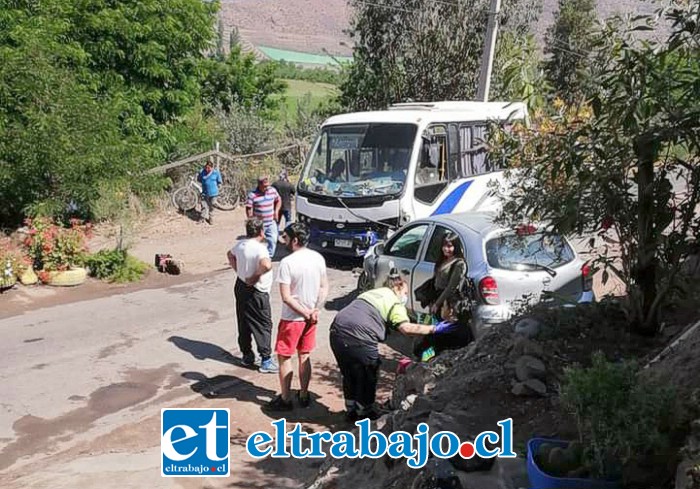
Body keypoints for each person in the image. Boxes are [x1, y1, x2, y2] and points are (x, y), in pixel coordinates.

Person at [329, 271, 449, 422]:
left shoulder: (374, 292)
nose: (405, 296)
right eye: (405, 292)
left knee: (350, 373)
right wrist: (435, 329)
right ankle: (365, 413)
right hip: (360, 335)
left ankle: (351, 410)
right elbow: (406, 328)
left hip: (336, 330)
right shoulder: (394, 302)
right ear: (397, 288)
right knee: (368, 374)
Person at [264, 223, 328, 411]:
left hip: (293, 319)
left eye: (286, 237)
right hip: (311, 318)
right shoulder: (317, 258)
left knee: (284, 357)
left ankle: (285, 399)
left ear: (295, 240)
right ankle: (304, 393)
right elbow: (324, 287)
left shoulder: (287, 263)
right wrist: (316, 309)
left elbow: (286, 297)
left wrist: (304, 312)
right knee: (304, 355)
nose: (283, 241)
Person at [227, 218, 278, 373]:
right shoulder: (260, 248)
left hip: (241, 286)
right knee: (263, 324)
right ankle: (266, 359)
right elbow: (266, 265)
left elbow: (230, 255)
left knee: (244, 321)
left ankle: (247, 354)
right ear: (261, 232)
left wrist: (239, 272)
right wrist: (254, 278)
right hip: (256, 290)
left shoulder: (240, 245)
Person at [413, 297, 473, 363]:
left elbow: (418, 349)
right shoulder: (467, 327)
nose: (441, 309)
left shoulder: (440, 330)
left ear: (451, 311)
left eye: (444, 307)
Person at [430, 232, 468, 318]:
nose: (446, 249)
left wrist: (437, 303)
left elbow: (451, 287)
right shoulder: (443, 260)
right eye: (444, 246)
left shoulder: (459, 264)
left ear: (456, 247)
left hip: (448, 302)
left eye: (449, 246)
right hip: (437, 297)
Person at [246, 176, 281, 258]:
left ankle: (269, 257)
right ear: (259, 184)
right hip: (259, 223)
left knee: (273, 239)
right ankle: (256, 257)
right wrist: (251, 220)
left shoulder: (272, 191)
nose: (266, 187)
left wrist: (276, 211)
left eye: (267, 185)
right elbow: (248, 208)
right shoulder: (252, 195)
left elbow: (278, 200)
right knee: (256, 242)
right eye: (264, 186)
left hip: (271, 221)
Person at [197, 159, 222, 225]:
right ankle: (202, 218)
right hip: (205, 192)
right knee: (203, 206)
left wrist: (219, 186)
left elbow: (219, 181)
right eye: (206, 167)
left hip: (213, 193)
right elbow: (199, 179)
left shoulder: (216, 173)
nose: (207, 169)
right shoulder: (202, 172)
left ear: (212, 167)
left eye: (209, 168)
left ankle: (211, 219)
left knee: (212, 206)